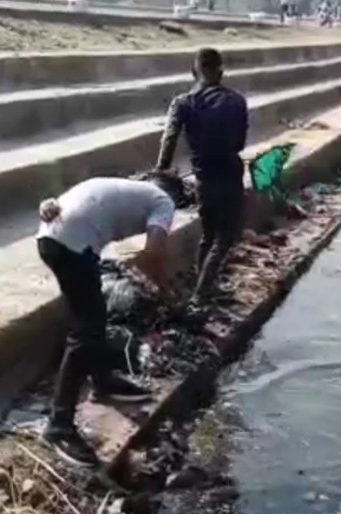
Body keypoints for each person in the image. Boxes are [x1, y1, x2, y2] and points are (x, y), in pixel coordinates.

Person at [35, 172, 184, 466]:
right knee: (85, 332)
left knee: (95, 315)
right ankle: (59, 426)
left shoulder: (127, 188)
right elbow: (154, 252)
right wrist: (163, 291)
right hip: (71, 247)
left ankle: (103, 382)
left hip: (52, 240)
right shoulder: (163, 201)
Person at [156, 48, 249, 305]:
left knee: (209, 234)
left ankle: (204, 284)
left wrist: (161, 170)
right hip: (230, 175)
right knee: (226, 236)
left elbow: (169, 138)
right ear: (221, 72)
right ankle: (202, 293)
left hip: (203, 178)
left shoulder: (183, 102)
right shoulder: (236, 101)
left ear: (193, 72)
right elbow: (240, 143)